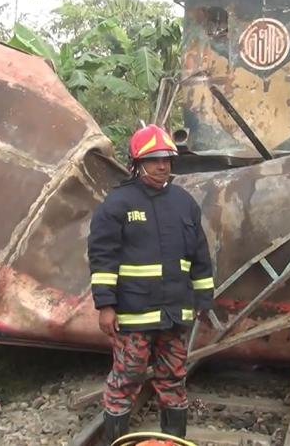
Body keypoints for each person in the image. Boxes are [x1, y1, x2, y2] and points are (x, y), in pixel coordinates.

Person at [88, 124, 215, 443]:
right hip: (133, 316)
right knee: (127, 379)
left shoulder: (185, 203)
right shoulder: (118, 204)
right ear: (137, 163)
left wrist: (204, 301)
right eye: (155, 159)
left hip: (175, 314)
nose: (163, 166)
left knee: (173, 379)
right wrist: (105, 305)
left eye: (167, 159)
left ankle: (173, 441)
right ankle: (116, 440)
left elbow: (200, 256)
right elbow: (102, 257)